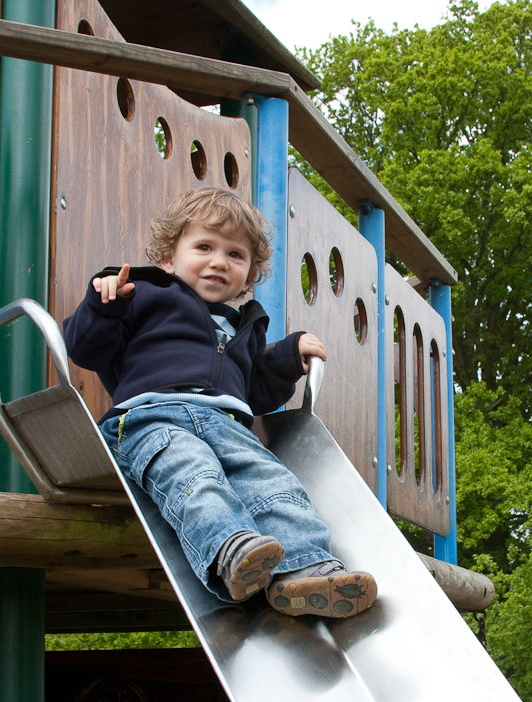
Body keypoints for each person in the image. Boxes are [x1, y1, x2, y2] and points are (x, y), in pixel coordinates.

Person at [63, 187, 377, 618]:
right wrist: (105, 306)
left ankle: (308, 570)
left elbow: (256, 394)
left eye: (235, 255)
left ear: (248, 276)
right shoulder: (145, 295)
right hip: (150, 420)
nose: (218, 261)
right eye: (204, 247)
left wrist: (286, 359)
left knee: (273, 482)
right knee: (194, 474)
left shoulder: (245, 326)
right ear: (170, 258)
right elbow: (86, 350)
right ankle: (231, 552)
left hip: (227, 424)